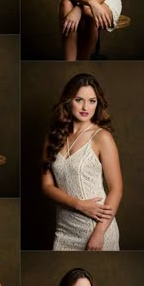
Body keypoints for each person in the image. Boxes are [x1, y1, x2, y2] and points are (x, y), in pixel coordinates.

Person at [42, 73, 123, 251]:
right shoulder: (53, 138)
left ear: (98, 103)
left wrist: (100, 232)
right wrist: (79, 204)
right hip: (64, 229)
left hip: (97, 228)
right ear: (68, 100)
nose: (86, 107)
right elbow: (46, 185)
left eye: (92, 101)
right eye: (79, 100)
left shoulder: (102, 137)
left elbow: (116, 189)